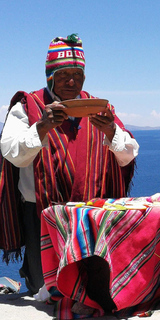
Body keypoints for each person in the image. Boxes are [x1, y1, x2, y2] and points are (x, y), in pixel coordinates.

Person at [0, 33, 139, 306]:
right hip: (42, 216)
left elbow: (127, 155)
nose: (72, 81)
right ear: (50, 76)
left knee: (94, 288)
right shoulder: (27, 106)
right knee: (50, 292)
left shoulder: (98, 107)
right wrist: (41, 126)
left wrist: (111, 131)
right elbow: (13, 154)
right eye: (64, 75)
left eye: (78, 74)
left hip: (92, 217)